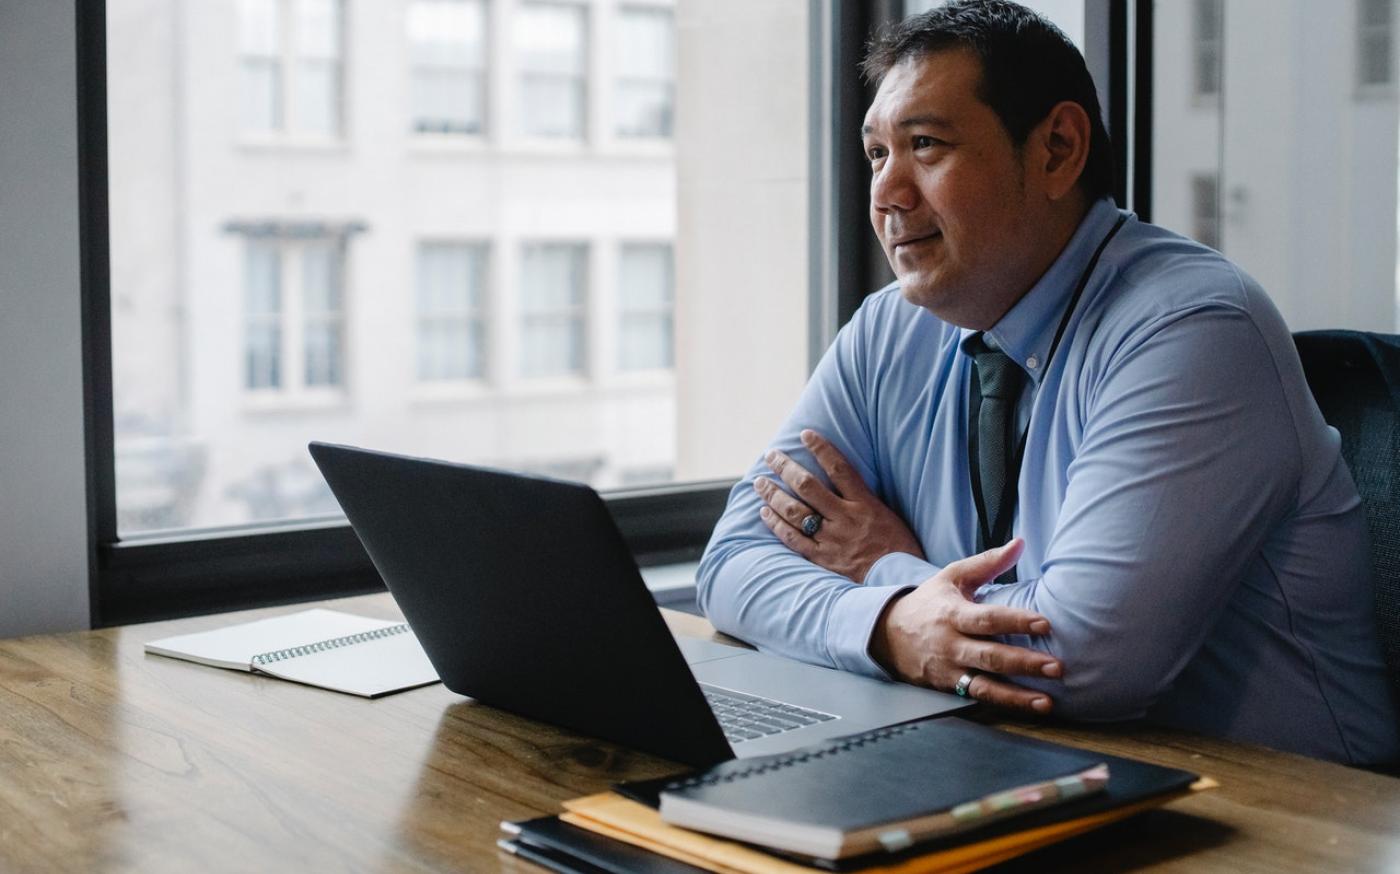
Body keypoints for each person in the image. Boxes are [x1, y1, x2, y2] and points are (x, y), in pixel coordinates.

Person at [696, 0, 1399, 765]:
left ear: (1058, 150)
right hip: (1022, 767)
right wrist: (894, 623)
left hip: (1283, 817)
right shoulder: (886, 330)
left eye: (925, 145)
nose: (887, 195)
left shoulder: (1194, 328)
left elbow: (1083, 661)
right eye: (876, 155)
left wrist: (879, 568)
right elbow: (730, 565)